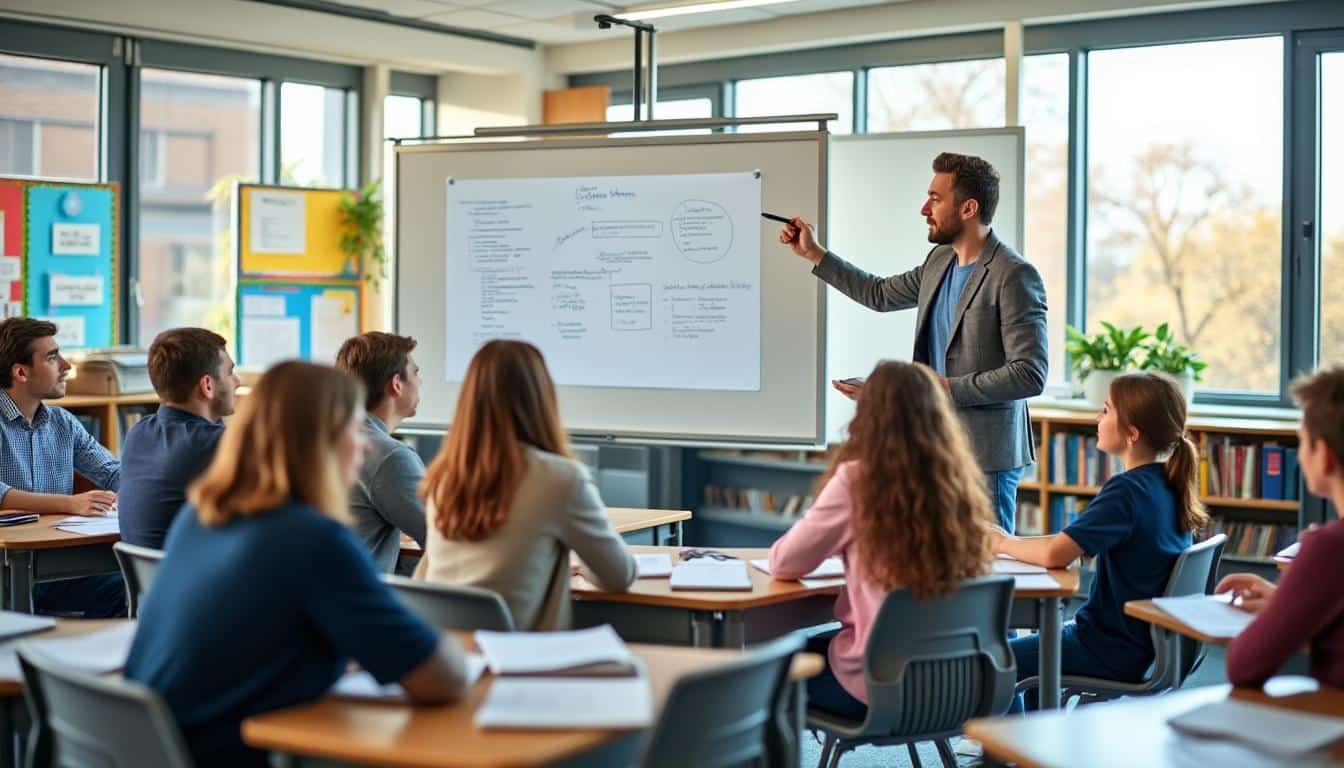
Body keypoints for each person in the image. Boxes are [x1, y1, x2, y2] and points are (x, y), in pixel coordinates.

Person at [124, 362, 471, 767]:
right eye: (354, 430)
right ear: (321, 442)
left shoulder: (202, 515)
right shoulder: (312, 539)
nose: (363, 447)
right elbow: (442, 679)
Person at [779, 152, 1047, 532]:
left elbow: (1029, 374)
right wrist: (815, 254)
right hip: (932, 444)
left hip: (986, 455)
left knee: (987, 560)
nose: (925, 209)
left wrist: (942, 390)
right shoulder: (939, 261)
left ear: (969, 208)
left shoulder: (1013, 274)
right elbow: (879, 294)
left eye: (936, 199)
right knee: (936, 560)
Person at [768, 360, 994, 720]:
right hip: (958, 686)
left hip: (880, 686)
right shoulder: (959, 484)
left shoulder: (859, 480)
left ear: (869, 414)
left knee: (764, 670)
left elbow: (784, 563)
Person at [990, 372, 1206, 710]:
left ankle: (1009, 751)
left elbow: (1054, 555)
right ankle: (1033, 748)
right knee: (1039, 653)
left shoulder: (1126, 491)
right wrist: (1012, 540)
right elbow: (1066, 543)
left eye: (1106, 410)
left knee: (992, 664)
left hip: (1109, 647)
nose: (1097, 418)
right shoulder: (1164, 485)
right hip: (1146, 645)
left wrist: (1000, 543)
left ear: (1132, 433)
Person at [419, 339, 635, 630]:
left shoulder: (443, 476)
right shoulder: (560, 479)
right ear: (540, 398)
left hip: (449, 658)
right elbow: (617, 576)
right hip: (522, 662)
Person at [1217, 366, 1344, 688]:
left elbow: (1244, 666)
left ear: (1324, 456)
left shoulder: (1328, 548)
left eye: (1302, 443)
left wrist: (1278, 612)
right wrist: (1285, 601)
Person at [0, 317, 124, 617]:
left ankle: (90, 662)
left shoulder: (63, 422)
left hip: (59, 564)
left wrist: (147, 483)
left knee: (129, 585)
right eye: (53, 357)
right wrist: (69, 503)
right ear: (20, 372)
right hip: (7, 568)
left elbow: (111, 471)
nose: (67, 365)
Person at [118, 328, 240, 550]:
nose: (237, 382)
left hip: (152, 582)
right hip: (200, 582)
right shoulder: (218, 444)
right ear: (207, 385)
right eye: (230, 373)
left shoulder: (139, 433)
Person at [335, 331, 428, 572]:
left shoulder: (326, 436)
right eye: (416, 373)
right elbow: (444, 541)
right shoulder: (390, 457)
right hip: (356, 603)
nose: (420, 381)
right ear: (396, 384)